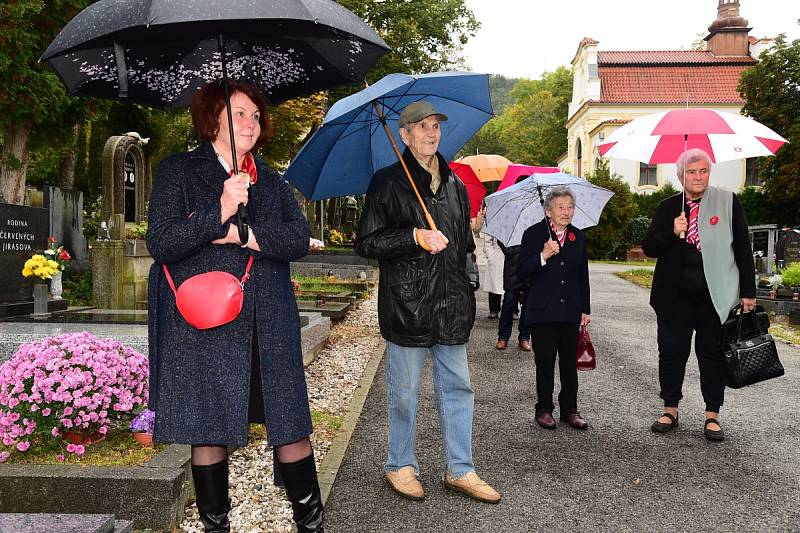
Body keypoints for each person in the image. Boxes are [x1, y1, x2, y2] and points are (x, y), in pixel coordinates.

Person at [146, 81, 323, 532]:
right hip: (207, 322)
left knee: (289, 423)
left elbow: (297, 238)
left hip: (269, 319)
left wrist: (245, 236)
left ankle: (311, 523)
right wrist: (218, 210)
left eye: (255, 116)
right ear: (212, 119)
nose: (251, 122)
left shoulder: (269, 179)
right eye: (240, 113)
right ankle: (215, 526)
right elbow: (163, 242)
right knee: (209, 427)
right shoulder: (179, 171)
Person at [355, 100, 501, 504]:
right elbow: (366, 242)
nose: (431, 132)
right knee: (404, 393)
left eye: (435, 125)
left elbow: (464, 247)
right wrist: (412, 237)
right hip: (409, 306)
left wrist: (469, 287)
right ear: (404, 135)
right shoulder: (387, 183)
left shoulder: (454, 185)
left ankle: (461, 469)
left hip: (451, 306)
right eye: (421, 126)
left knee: (458, 389)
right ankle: (399, 464)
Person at [642, 148, 756, 442]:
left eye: (703, 171)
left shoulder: (728, 202)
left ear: (709, 173)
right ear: (681, 176)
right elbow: (650, 247)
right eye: (691, 172)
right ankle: (670, 409)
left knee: (712, 355)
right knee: (671, 353)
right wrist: (672, 231)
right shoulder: (669, 207)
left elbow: (742, 248)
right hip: (674, 298)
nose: (698, 177)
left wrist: (748, 292)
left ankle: (712, 415)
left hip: (714, 296)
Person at [517, 186, 591, 430]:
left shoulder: (577, 237)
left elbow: (582, 274)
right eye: (561, 207)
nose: (566, 212)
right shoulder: (533, 234)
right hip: (543, 312)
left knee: (569, 363)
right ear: (548, 211)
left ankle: (570, 409)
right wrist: (543, 255)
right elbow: (521, 272)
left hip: (570, 311)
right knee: (545, 362)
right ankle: (544, 409)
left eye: (570, 207)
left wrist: (585, 308)